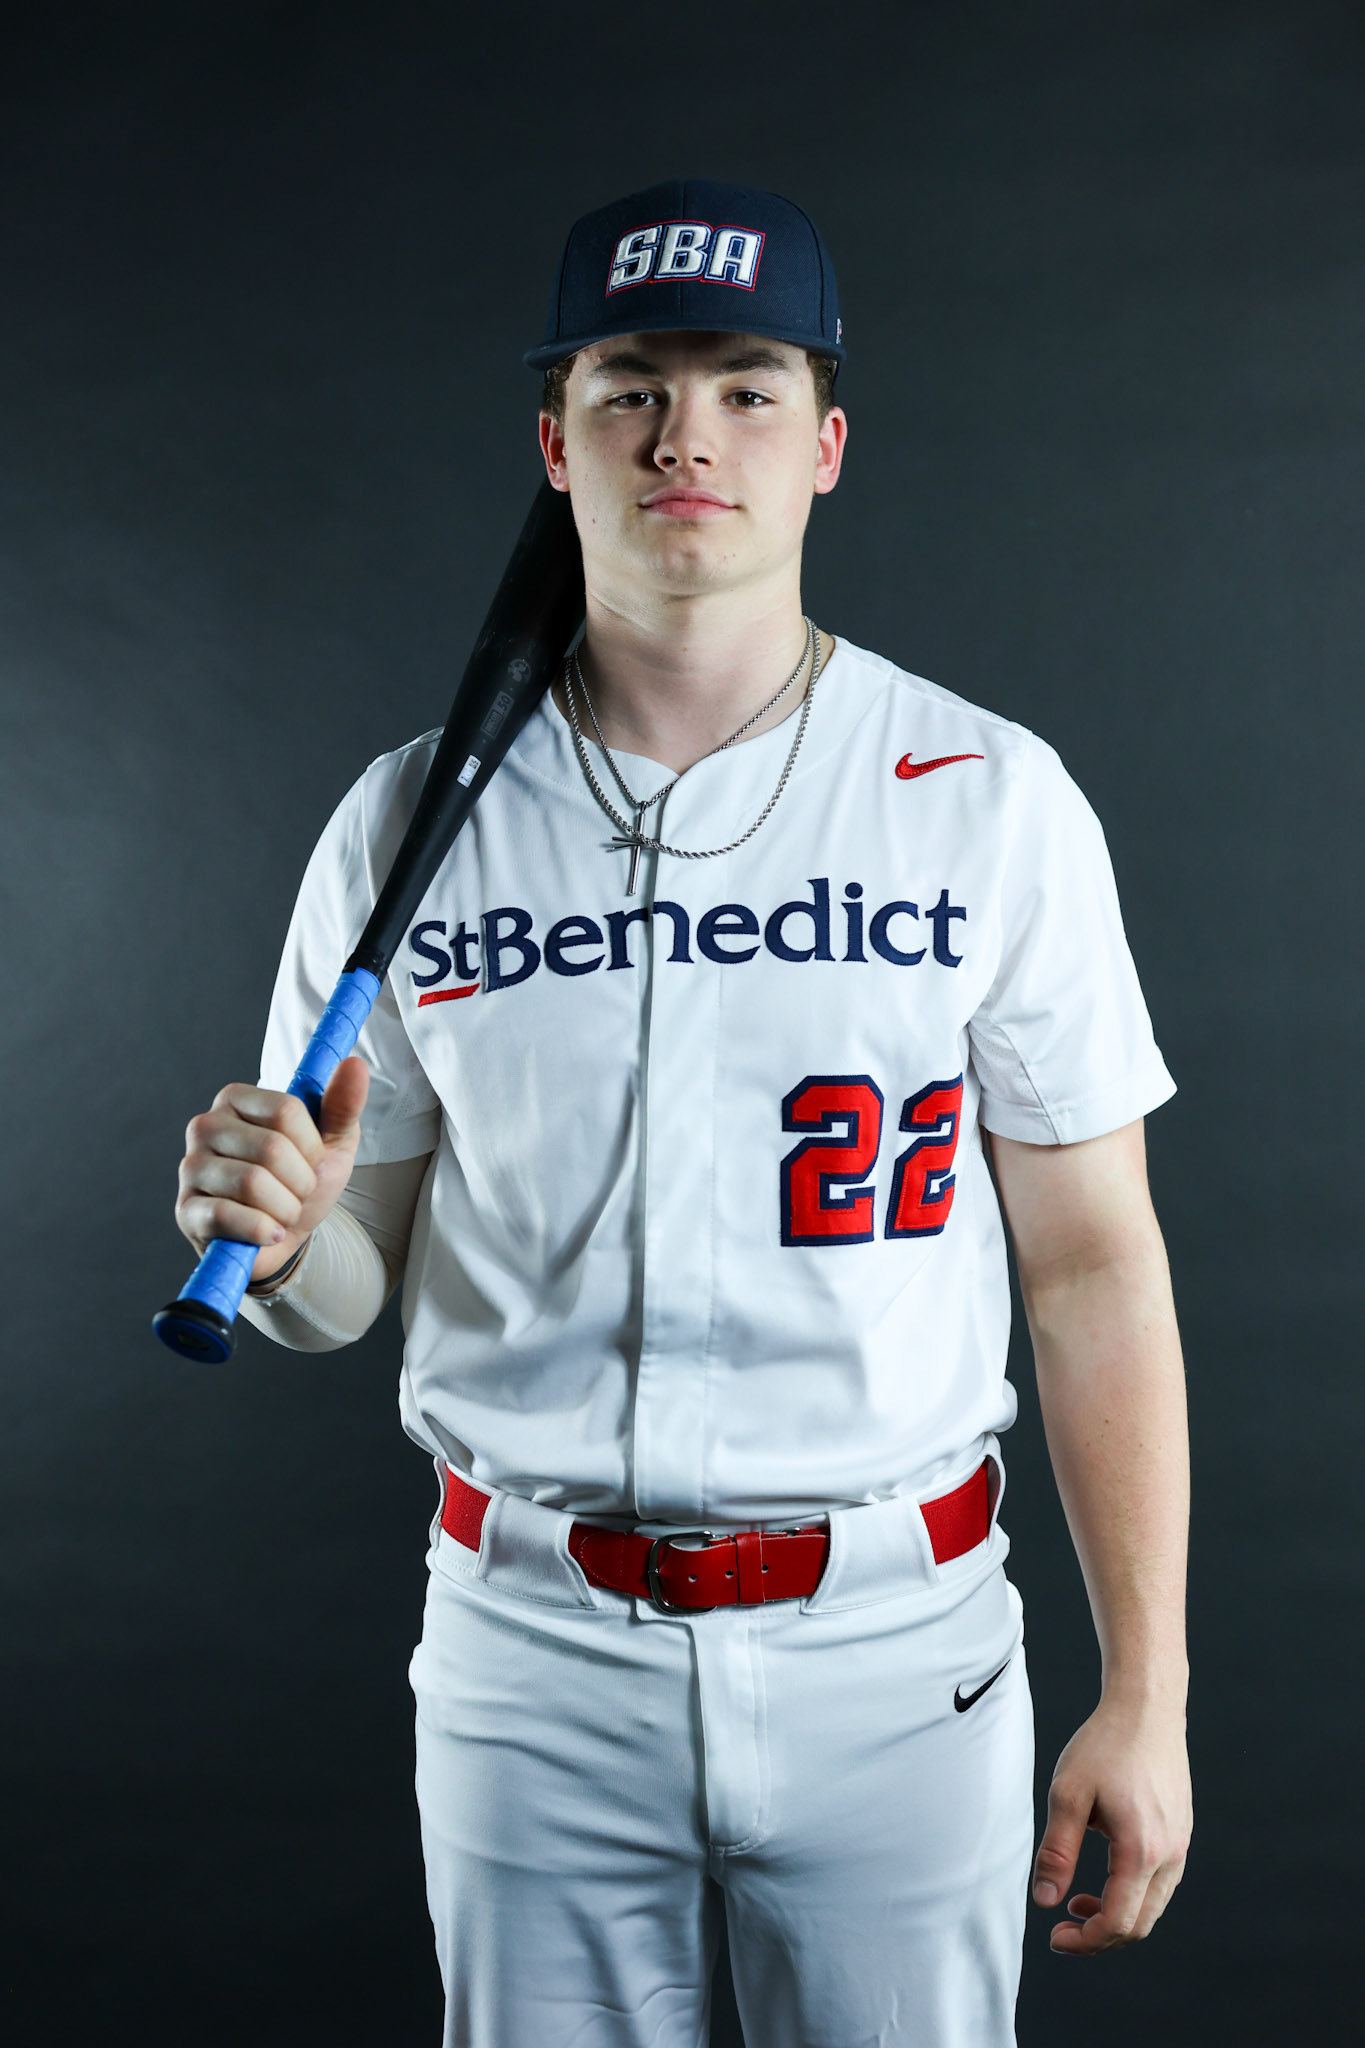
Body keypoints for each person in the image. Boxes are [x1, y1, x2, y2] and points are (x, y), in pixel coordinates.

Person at [172, 178, 1191, 2047]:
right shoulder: (409, 825)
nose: (685, 438)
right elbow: (338, 1296)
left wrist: (1149, 1694)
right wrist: (281, 1233)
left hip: (902, 1642)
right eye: (634, 387)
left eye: (743, 389)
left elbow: (1093, 1269)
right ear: (556, 444)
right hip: (528, 1647)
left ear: (825, 444)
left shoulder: (984, 795)